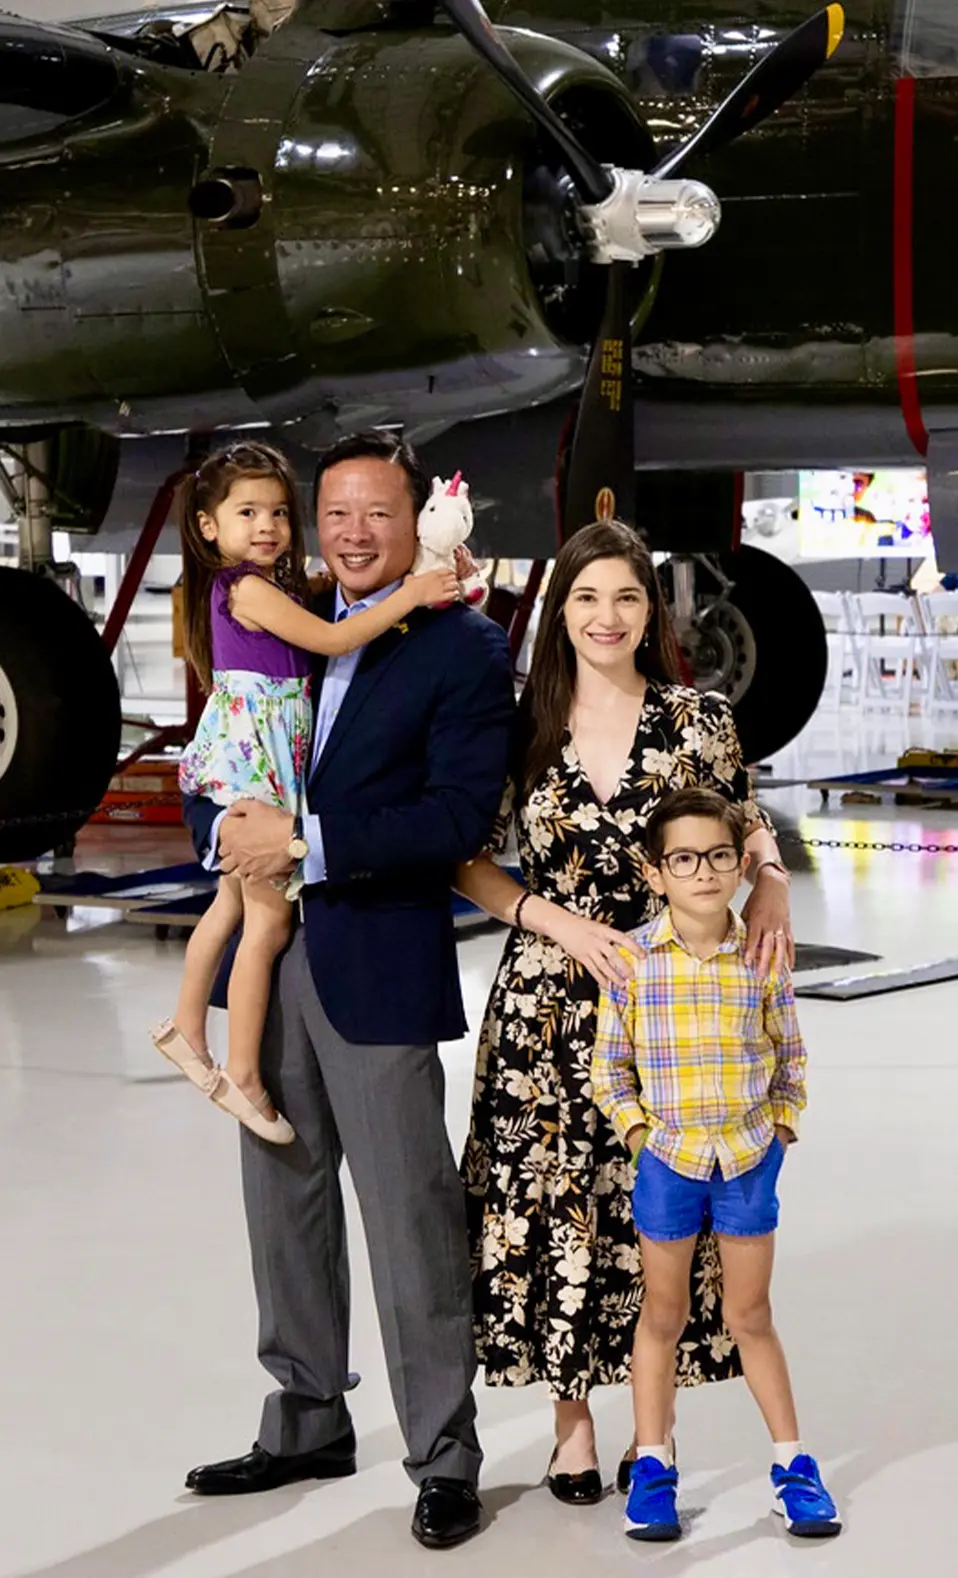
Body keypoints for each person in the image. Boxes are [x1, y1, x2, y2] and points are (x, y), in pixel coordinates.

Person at [180, 431, 515, 1551]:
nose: (350, 534)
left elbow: (457, 819)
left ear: (416, 519)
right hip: (267, 961)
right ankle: (307, 1416)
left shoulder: (461, 646)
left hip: (374, 954)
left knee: (409, 1214)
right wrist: (225, 825)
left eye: (376, 512)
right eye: (334, 515)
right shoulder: (286, 620)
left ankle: (444, 1453)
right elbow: (227, 748)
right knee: (283, 1199)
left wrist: (309, 843)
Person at [456, 520, 794, 1500]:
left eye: (626, 598)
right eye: (586, 598)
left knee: (648, 1212)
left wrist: (767, 878)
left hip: (668, 999)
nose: (606, 618)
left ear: (653, 613)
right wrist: (551, 920)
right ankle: (571, 1422)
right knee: (554, 1207)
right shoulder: (518, 727)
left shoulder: (699, 719)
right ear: (558, 613)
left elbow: (741, 815)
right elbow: (468, 858)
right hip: (546, 1004)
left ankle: (656, 1429)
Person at [152, 442, 460, 1143]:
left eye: (279, 513)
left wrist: (417, 567)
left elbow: (325, 598)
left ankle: (188, 1024)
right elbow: (331, 639)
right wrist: (412, 593)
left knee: (229, 904)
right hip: (255, 759)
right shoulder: (248, 587)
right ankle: (243, 1073)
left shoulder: (269, 584)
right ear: (207, 526)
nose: (267, 526)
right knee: (265, 923)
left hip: (253, 752)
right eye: (247, 512)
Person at [593, 786, 840, 1542]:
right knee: (662, 1315)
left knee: (749, 1315)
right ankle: (654, 1467)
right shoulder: (635, 962)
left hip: (745, 1160)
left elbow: (790, 1055)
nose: (704, 871)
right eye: (685, 859)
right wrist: (641, 1139)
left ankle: (794, 1467)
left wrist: (780, 1134)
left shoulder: (761, 957)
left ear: (740, 866)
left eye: (719, 857)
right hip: (667, 1162)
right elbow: (611, 1071)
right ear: (655, 871)